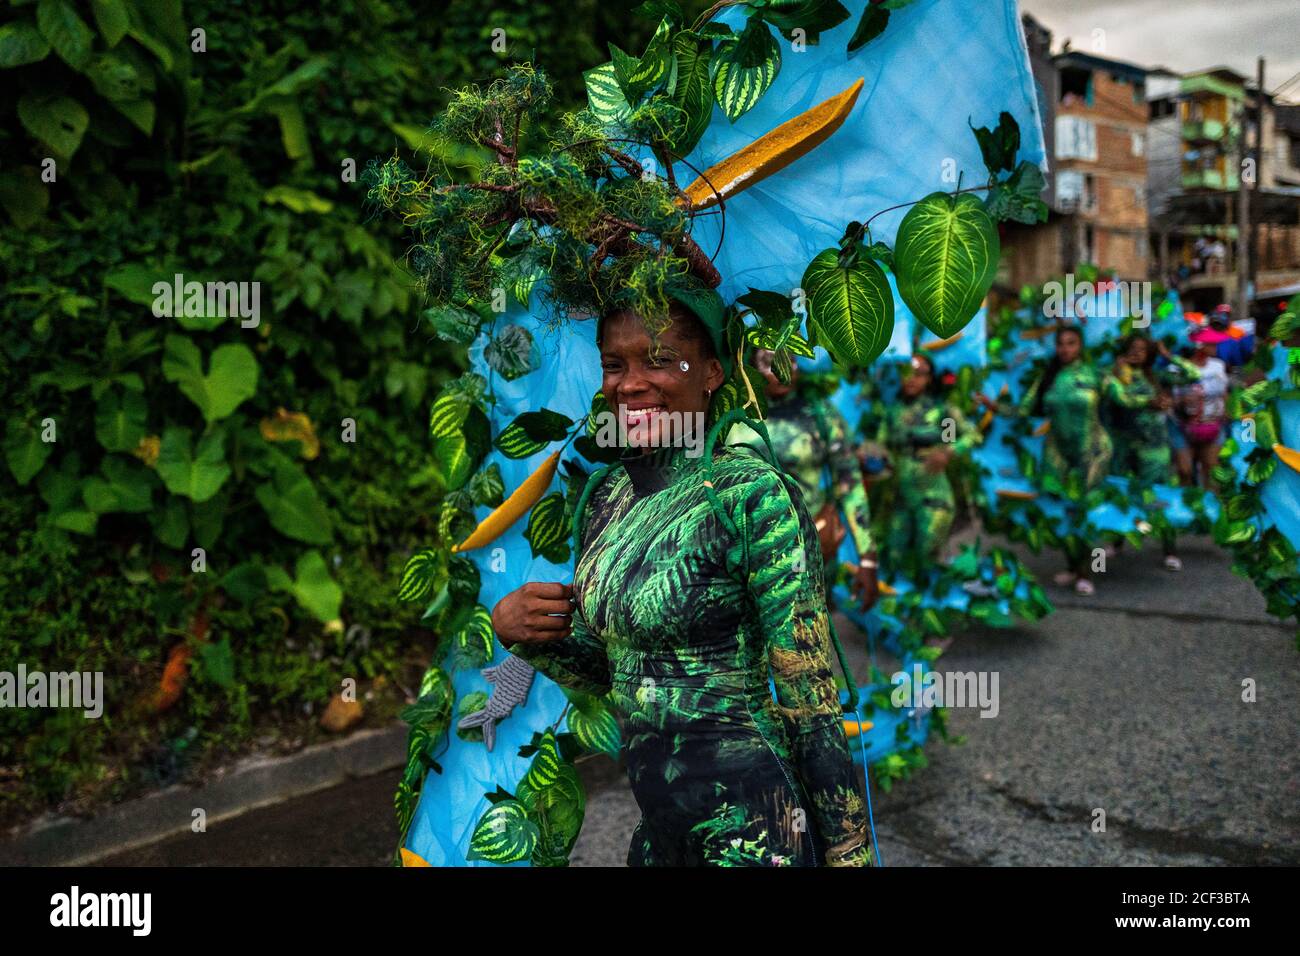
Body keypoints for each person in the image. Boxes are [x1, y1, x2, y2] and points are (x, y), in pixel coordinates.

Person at [491, 299, 871, 867]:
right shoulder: (605, 498)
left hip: (754, 828)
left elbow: (810, 701)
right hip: (661, 827)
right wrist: (521, 634)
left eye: (660, 360)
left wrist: (850, 853)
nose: (631, 384)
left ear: (713, 372)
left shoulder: (750, 496)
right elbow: (616, 673)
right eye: (614, 365)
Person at [727, 348, 879, 611]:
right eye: (768, 363)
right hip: (746, 552)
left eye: (789, 361)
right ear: (750, 368)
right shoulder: (730, 418)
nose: (780, 371)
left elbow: (850, 483)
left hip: (810, 543)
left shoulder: (820, 414)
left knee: (806, 637)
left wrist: (867, 558)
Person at [978, 326, 1111, 596]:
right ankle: (1073, 566)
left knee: (1083, 510)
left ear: (1081, 346)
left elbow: (1125, 399)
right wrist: (995, 407)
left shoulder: (1096, 374)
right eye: (1061, 344)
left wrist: (1155, 401)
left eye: (1071, 343)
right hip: (1058, 453)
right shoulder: (1048, 377)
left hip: (1093, 451)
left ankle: (1087, 571)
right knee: (1060, 509)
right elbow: (1024, 410)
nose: (1065, 349)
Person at [873, 353, 980, 579]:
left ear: (930, 378)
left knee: (927, 552)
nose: (912, 379)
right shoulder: (892, 411)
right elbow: (880, 444)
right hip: (900, 495)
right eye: (907, 374)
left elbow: (968, 436)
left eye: (919, 374)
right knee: (893, 554)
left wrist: (948, 451)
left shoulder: (941, 411)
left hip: (932, 495)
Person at [1100, 334, 1199, 571]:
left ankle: (1169, 549)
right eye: (1132, 348)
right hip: (1123, 444)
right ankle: (1116, 542)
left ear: (1149, 355)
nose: (1136, 352)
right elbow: (1118, 399)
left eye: (1142, 349)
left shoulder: (1156, 377)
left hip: (1154, 447)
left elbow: (1193, 375)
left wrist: (1168, 356)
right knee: (1121, 492)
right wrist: (1148, 399)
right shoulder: (1113, 375)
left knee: (1158, 495)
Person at [1173, 329, 1229, 489]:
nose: (1216, 347)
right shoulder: (1177, 368)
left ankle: (1212, 510)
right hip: (1183, 426)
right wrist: (1184, 400)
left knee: (1211, 469)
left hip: (1212, 424)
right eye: (1212, 344)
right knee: (1185, 471)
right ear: (1199, 345)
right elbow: (1171, 398)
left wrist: (1227, 411)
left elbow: (1224, 393)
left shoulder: (1218, 365)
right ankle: (1187, 508)